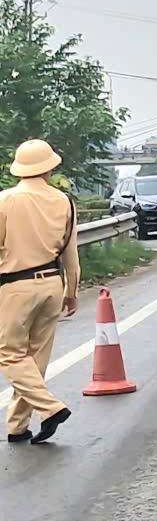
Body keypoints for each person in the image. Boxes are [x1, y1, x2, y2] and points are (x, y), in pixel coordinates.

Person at [0, 139, 78, 444]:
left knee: (10, 355)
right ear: (49, 168)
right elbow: (70, 252)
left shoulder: (5, 201)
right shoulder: (64, 201)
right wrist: (71, 289)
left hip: (15, 286)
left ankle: (51, 408)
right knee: (35, 358)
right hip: (52, 284)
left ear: (19, 169)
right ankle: (17, 426)